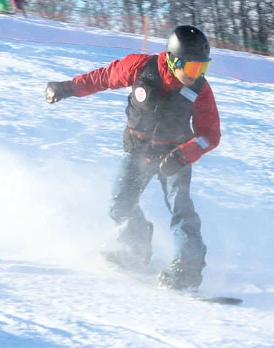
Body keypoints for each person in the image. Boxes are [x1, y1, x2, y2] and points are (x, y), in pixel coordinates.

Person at [44, 25, 221, 291]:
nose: (197, 75)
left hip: (174, 157)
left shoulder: (200, 90)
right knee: (120, 204)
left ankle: (188, 271)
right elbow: (103, 78)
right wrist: (67, 88)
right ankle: (136, 252)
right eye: (193, 68)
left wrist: (184, 155)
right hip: (138, 152)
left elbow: (210, 135)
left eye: (203, 68)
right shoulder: (140, 67)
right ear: (173, 61)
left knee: (181, 211)